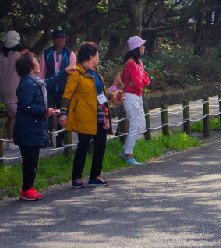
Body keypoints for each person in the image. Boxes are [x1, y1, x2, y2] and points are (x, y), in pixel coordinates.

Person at [14, 50, 75, 200]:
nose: (37, 63)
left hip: (32, 128)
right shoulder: (28, 84)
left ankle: (28, 188)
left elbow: (49, 82)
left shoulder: (34, 81)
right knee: (30, 161)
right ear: (29, 66)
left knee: (33, 160)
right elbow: (26, 106)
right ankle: (26, 190)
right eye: (34, 60)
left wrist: (64, 72)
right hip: (27, 129)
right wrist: (45, 111)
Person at [59, 42, 122, 188]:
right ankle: (76, 178)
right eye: (97, 55)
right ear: (90, 56)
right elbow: (67, 94)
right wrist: (63, 113)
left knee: (101, 145)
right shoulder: (77, 72)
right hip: (84, 115)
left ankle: (95, 176)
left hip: (101, 115)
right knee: (83, 146)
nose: (98, 58)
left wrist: (113, 96)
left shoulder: (95, 73)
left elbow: (101, 93)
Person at [39, 30, 75, 147]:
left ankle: (61, 140)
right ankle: (48, 139)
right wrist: (40, 88)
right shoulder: (46, 53)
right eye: (59, 38)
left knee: (62, 113)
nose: (62, 40)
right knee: (48, 113)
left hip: (64, 90)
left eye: (63, 38)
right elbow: (41, 73)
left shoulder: (70, 54)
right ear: (53, 40)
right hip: (49, 89)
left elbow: (73, 74)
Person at [119, 36, 150, 166]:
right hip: (131, 96)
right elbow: (139, 83)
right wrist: (142, 79)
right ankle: (128, 155)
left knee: (141, 126)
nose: (144, 48)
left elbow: (146, 80)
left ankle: (126, 150)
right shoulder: (131, 64)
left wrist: (142, 79)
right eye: (142, 46)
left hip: (137, 96)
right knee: (134, 126)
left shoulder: (138, 63)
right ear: (137, 48)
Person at [0, 31, 22, 148]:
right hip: (15, 89)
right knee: (16, 116)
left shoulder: (1, 56)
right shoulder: (18, 56)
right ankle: (12, 141)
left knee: (10, 115)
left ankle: (10, 140)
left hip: (3, 90)